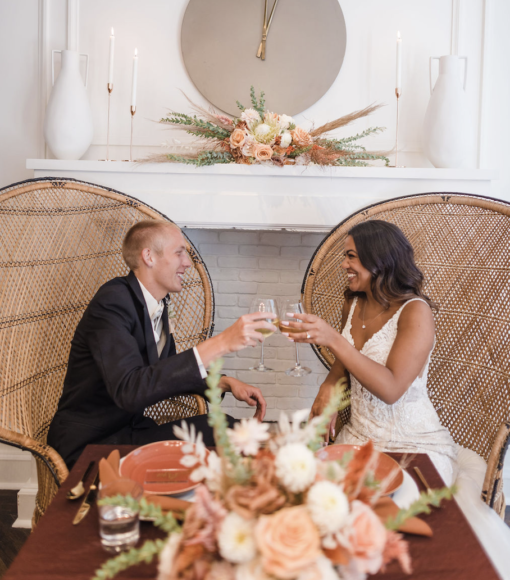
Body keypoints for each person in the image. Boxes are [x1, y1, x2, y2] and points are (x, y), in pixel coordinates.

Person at [282, 219, 510, 579]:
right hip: (358, 438)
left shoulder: (415, 312)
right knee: (324, 517)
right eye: (345, 255)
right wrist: (329, 385)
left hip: (414, 443)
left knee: (396, 527)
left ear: (380, 261)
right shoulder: (353, 305)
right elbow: (347, 363)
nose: (344, 264)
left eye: (352, 256)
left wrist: (332, 339)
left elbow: (390, 389)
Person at [48, 220, 274, 469]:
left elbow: (165, 371)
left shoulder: (159, 306)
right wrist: (221, 343)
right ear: (149, 256)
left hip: (129, 432)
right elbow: (129, 390)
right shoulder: (112, 302)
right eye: (179, 253)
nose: (187, 263)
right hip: (89, 446)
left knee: (224, 428)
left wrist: (223, 382)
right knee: (223, 432)